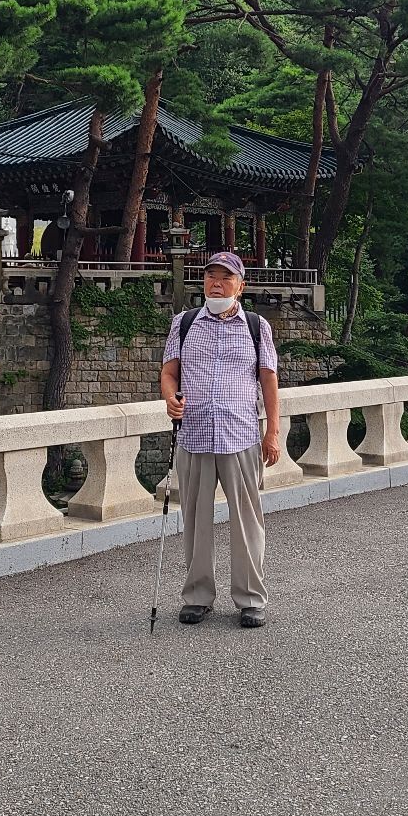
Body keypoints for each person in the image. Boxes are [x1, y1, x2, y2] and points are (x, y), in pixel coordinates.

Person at [160, 251, 280, 630]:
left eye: (226, 277)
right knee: (196, 521)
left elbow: (269, 379)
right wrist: (170, 398)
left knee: (246, 522)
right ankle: (198, 596)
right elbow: (169, 373)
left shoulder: (257, 326)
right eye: (211, 275)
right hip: (194, 434)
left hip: (241, 434)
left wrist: (272, 431)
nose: (217, 282)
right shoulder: (184, 323)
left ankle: (250, 599)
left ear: (240, 286)